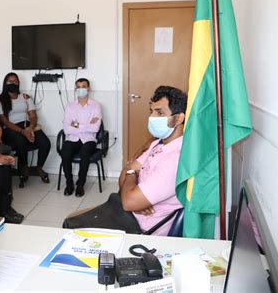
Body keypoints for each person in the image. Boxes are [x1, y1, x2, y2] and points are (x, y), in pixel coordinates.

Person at [63, 86, 187, 236]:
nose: (152, 117)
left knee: (70, 227)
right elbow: (125, 176)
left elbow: (129, 199)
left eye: (159, 112)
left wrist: (132, 181)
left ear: (179, 118)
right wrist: (132, 184)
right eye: (151, 111)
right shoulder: (159, 143)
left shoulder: (175, 158)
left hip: (139, 227)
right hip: (127, 211)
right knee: (70, 220)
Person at [0, 72, 51, 185]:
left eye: (15, 81)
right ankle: (24, 167)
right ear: (5, 83)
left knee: (45, 142)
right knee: (20, 140)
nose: (12, 83)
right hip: (10, 129)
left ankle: (39, 168)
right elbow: (4, 121)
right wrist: (22, 131)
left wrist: (30, 127)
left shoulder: (25, 97)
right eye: (10, 81)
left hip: (27, 125)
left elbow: (33, 116)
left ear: (19, 83)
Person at [61, 78, 102, 197]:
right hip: (72, 138)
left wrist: (76, 124)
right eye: (78, 87)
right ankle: (69, 183)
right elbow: (66, 128)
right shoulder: (70, 106)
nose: (81, 89)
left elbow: (95, 128)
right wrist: (87, 125)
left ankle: (80, 184)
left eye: (83, 86)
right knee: (65, 152)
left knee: (85, 153)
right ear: (75, 89)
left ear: (88, 88)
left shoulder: (95, 106)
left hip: (89, 139)